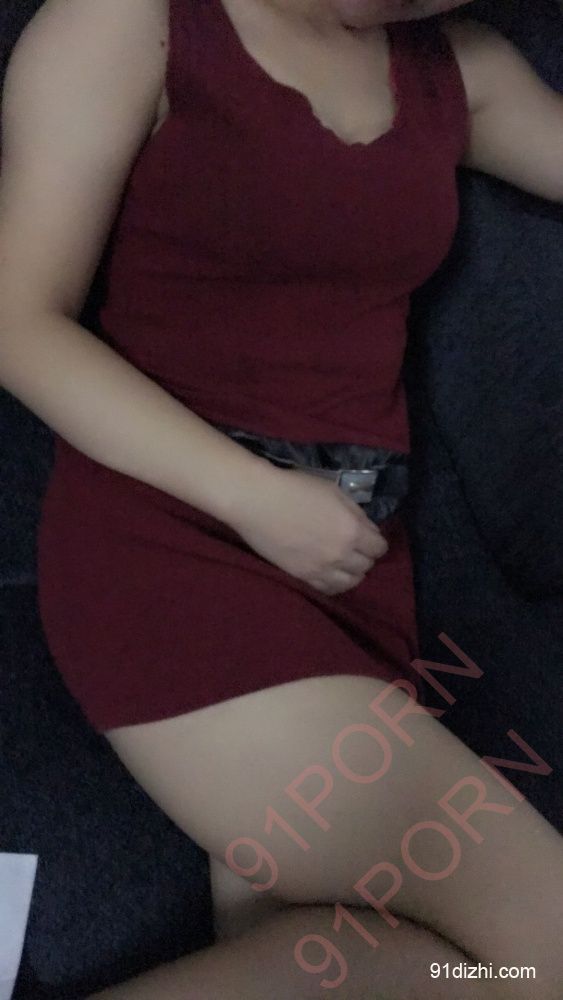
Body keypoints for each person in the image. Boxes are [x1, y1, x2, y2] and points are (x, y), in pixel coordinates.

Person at [1, 0, 562, 996]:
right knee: (544, 947)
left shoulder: (455, 72)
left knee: (343, 967)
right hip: (174, 547)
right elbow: (16, 323)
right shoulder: (133, 22)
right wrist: (254, 496)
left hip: (353, 567)